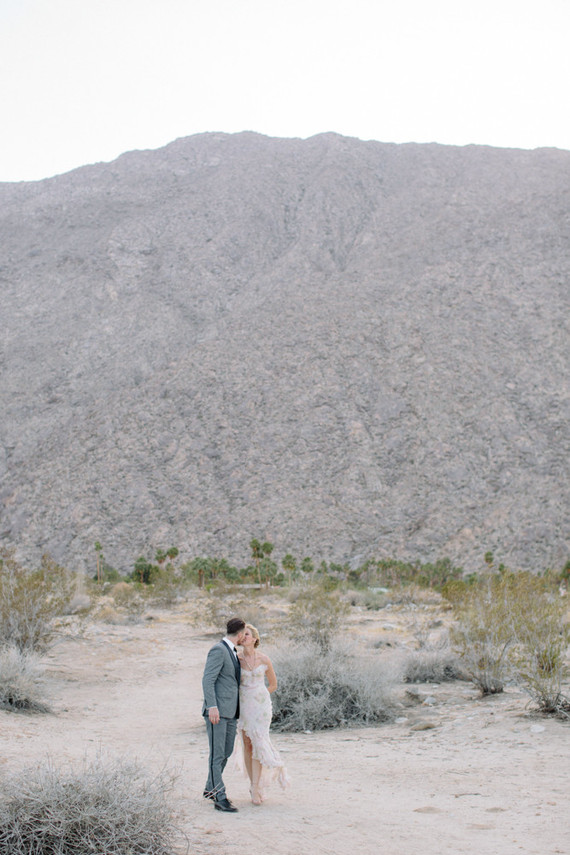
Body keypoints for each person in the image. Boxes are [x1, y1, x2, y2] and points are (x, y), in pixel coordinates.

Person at [236, 623, 290, 805]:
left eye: (247, 634)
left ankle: (257, 787)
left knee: (258, 743)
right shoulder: (237, 659)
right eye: (242, 634)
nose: (244, 637)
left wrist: (262, 695)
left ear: (255, 638)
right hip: (244, 705)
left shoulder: (264, 659)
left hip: (260, 707)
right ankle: (253, 786)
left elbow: (273, 684)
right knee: (247, 743)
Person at [202, 616, 246, 812]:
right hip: (217, 712)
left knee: (226, 751)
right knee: (217, 754)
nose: (246, 637)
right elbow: (207, 680)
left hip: (231, 712)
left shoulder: (234, 652)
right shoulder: (218, 650)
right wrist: (212, 706)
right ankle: (220, 796)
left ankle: (210, 788)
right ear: (239, 634)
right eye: (245, 634)